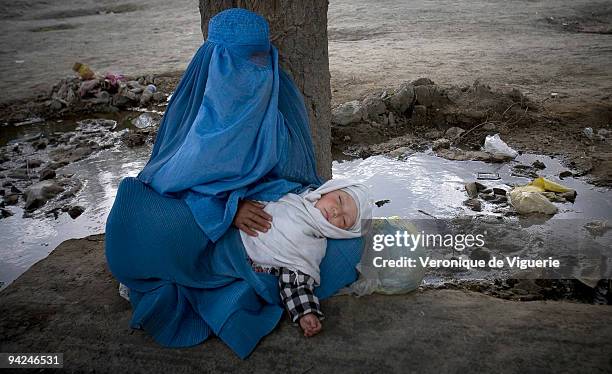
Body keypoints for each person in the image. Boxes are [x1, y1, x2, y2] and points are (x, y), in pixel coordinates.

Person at [105, 8, 369, 359]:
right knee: (137, 216)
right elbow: (165, 180)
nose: (252, 71)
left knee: (349, 247)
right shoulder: (196, 103)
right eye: (240, 61)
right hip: (195, 220)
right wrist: (227, 209)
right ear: (214, 58)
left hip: (262, 219)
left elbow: (294, 179)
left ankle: (261, 276)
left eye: (260, 59)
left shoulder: (278, 102)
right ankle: (232, 273)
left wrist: (268, 201)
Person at [238, 178, 372, 337]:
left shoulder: (312, 245)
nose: (336, 211)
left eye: (343, 220)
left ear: (342, 233)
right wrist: (233, 207)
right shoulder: (295, 194)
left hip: (240, 255)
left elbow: (296, 281)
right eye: (340, 199)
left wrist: (305, 313)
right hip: (231, 222)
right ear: (328, 189)